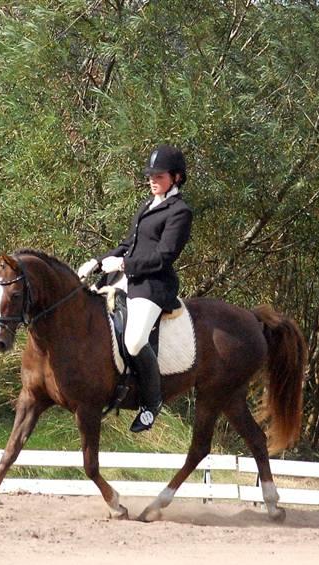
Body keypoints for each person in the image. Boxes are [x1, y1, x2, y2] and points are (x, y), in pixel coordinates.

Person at [77, 144, 193, 432]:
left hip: (153, 285)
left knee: (133, 341)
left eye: (160, 176)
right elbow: (130, 244)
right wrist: (98, 260)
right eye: (151, 175)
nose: (153, 180)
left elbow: (164, 255)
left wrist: (125, 266)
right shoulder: (147, 205)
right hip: (125, 279)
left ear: (176, 177)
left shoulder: (180, 212)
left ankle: (152, 403)